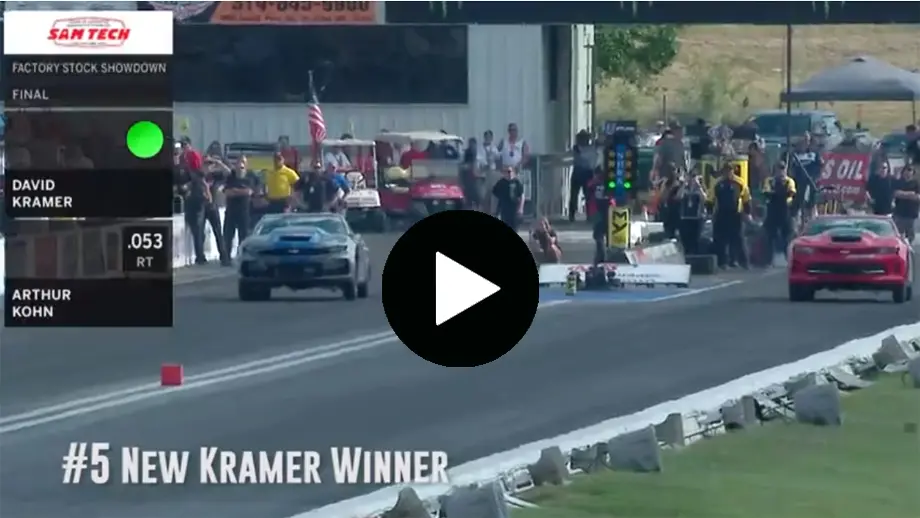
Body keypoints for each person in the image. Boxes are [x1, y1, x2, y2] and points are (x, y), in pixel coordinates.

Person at [707, 161, 752, 269]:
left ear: (733, 171)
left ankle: (743, 262)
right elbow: (710, 199)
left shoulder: (740, 182)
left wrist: (747, 212)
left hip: (735, 214)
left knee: (738, 238)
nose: (728, 173)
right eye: (726, 171)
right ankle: (722, 262)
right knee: (720, 239)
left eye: (729, 170)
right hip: (721, 213)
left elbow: (746, 198)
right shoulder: (717, 183)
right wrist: (709, 212)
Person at [761, 162, 797, 264]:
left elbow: (791, 193)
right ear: (775, 170)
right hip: (772, 211)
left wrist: (777, 194)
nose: (781, 171)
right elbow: (766, 193)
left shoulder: (789, 181)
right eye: (779, 169)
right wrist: (778, 194)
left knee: (787, 236)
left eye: (783, 169)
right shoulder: (769, 181)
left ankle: (788, 259)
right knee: (770, 236)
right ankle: (769, 260)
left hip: (785, 210)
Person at [221, 155, 254, 256]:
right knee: (228, 236)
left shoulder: (250, 177)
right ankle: (226, 257)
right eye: (239, 162)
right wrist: (241, 191)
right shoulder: (230, 177)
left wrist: (235, 191)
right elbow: (227, 192)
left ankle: (242, 256)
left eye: (243, 163)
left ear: (246, 165)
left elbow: (249, 192)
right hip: (230, 212)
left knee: (243, 237)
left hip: (244, 212)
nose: (240, 165)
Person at [677, 168, 707, 255]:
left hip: (697, 218)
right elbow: (679, 196)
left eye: (694, 176)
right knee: (685, 240)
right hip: (685, 217)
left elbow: (704, 198)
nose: (692, 179)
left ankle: (695, 256)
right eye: (690, 176)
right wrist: (684, 184)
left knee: (695, 240)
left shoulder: (700, 188)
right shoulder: (684, 187)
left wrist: (698, 186)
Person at [569, 130, 596, 222]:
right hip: (583, 172)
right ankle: (574, 214)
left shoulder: (587, 148)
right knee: (579, 195)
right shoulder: (578, 148)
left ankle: (587, 215)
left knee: (587, 196)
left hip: (583, 173)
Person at [491, 166, 525, 230]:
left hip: (514, 209)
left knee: (514, 227)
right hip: (504, 209)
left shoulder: (517, 182)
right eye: (507, 172)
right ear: (504, 173)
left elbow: (522, 196)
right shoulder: (500, 183)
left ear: (513, 172)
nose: (509, 173)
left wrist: (520, 208)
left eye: (510, 171)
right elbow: (495, 196)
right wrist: (494, 209)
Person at [892, 165, 919, 242]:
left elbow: (918, 197)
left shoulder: (916, 183)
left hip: (911, 214)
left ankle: (908, 247)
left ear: (913, 172)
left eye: (910, 170)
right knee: (897, 234)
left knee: (910, 235)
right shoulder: (898, 182)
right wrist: (911, 194)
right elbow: (896, 194)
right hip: (899, 213)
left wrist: (903, 194)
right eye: (906, 170)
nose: (907, 172)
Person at [657, 166, 684, 240]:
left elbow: (679, 196)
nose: (674, 173)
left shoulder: (680, 183)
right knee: (668, 228)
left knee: (676, 227)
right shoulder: (667, 182)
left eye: (675, 171)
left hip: (677, 208)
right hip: (668, 208)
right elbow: (662, 195)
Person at [460, 138, 484, 210]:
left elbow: (484, 165)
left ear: (475, 144)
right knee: (469, 196)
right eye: (470, 144)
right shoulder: (466, 153)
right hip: (469, 178)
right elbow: (462, 166)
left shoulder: (480, 153)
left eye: (473, 144)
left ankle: (478, 207)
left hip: (478, 178)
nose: (472, 146)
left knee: (478, 195)